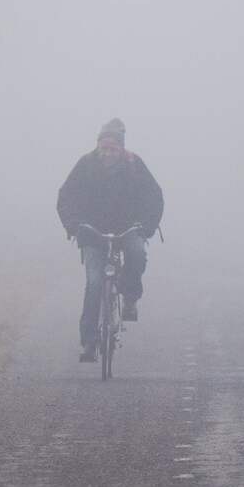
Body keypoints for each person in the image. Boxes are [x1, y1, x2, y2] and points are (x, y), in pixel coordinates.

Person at [57, 118, 164, 361]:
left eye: (112, 148)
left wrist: (146, 226)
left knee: (137, 254)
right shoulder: (85, 165)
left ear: (121, 148)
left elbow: (154, 196)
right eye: (103, 148)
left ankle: (130, 296)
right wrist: (73, 225)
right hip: (92, 232)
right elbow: (66, 196)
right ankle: (89, 342)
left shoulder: (134, 165)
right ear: (97, 146)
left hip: (128, 229)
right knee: (94, 283)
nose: (107, 153)